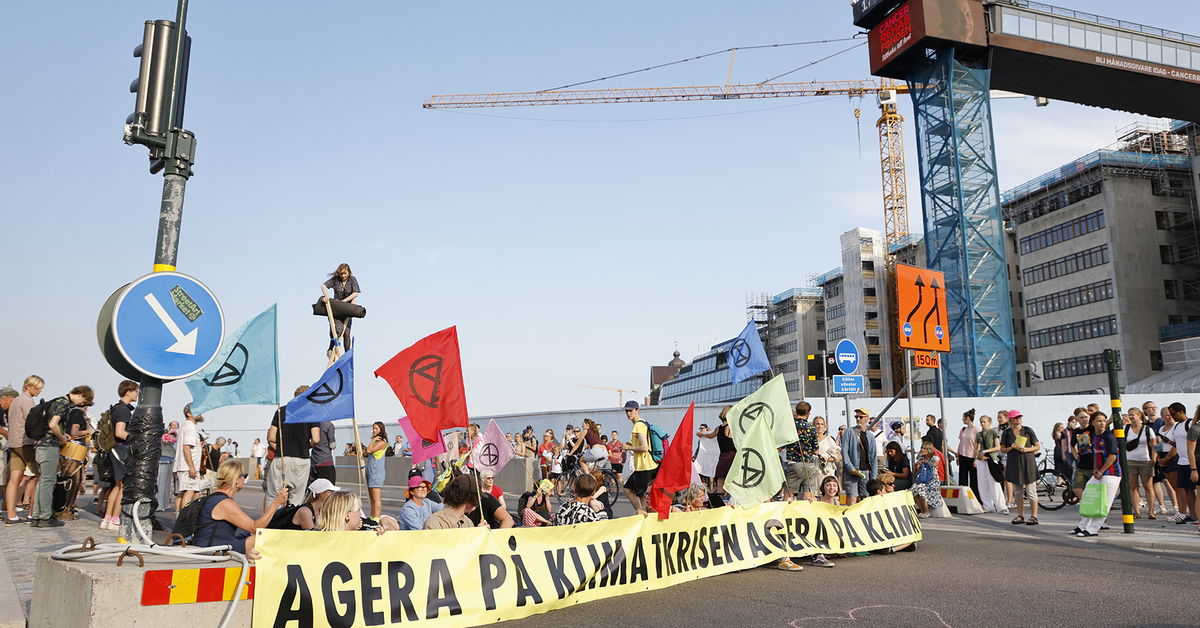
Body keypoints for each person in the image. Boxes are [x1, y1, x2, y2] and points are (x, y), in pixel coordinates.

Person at [31, 386, 93, 528]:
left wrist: (63, 434)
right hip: (49, 446)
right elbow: (53, 425)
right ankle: (45, 517)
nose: (82, 404)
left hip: (41, 444)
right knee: (49, 481)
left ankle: (36, 516)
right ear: (80, 394)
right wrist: (62, 438)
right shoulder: (63, 403)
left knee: (43, 481)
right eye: (84, 400)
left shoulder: (56, 401)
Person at [194, 460, 287, 553]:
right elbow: (255, 528)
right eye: (244, 476)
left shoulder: (214, 497)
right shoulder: (225, 503)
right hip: (215, 549)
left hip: (209, 544)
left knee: (248, 534)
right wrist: (276, 503)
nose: (245, 479)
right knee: (266, 536)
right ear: (237, 479)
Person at [266, 387, 319, 507]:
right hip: (301, 459)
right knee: (296, 499)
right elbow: (316, 439)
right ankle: (292, 518)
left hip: (281, 458)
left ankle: (272, 518)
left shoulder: (281, 411)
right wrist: (306, 446)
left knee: (274, 497)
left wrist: (281, 448)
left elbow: (271, 438)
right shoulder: (312, 413)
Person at [1075, 412, 1123, 537]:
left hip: (1111, 473)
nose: (1102, 423)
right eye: (1099, 421)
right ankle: (1082, 525)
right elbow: (1095, 453)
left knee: (1105, 502)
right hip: (1099, 472)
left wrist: (1101, 471)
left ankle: (1093, 529)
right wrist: (1095, 468)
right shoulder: (1095, 436)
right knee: (1088, 497)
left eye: (1103, 420)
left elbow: (1112, 456)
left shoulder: (1109, 436)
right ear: (1093, 422)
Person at [6, 376, 44, 525]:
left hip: (13, 443)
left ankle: (11, 515)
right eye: (38, 387)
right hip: (26, 443)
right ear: (29, 386)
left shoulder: (16, 400)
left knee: (14, 479)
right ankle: (32, 514)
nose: (39, 390)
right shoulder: (27, 400)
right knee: (38, 476)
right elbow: (32, 422)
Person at [102, 380, 138, 531]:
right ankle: (115, 519)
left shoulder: (116, 408)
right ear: (128, 392)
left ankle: (107, 519)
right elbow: (120, 432)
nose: (137, 394)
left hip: (114, 449)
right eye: (135, 391)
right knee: (124, 485)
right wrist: (136, 439)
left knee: (117, 485)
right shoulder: (124, 410)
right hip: (121, 449)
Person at [1000, 409, 1040, 525]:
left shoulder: (1027, 430)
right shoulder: (1007, 433)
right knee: (1018, 492)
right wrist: (1011, 447)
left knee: (1031, 492)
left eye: (1019, 417)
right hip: (1014, 464)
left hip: (1028, 462)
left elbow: (1037, 446)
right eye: (1016, 417)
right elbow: (1002, 449)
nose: (1018, 419)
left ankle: (1034, 516)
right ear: (1010, 419)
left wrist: (1026, 449)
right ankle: (1020, 515)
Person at [621, 401, 659, 514]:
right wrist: (632, 445)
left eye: (631, 410)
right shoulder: (643, 423)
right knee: (628, 489)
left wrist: (628, 448)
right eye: (626, 411)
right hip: (646, 465)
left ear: (637, 410)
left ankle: (643, 514)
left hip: (644, 466)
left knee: (641, 494)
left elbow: (644, 447)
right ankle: (641, 511)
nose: (628, 413)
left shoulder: (638, 425)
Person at [1163, 402, 1197, 524]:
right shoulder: (1177, 426)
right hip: (1181, 461)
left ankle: (1195, 514)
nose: (1171, 416)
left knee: (1195, 489)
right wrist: (1169, 442)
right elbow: (1179, 444)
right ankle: (1193, 515)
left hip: (1191, 462)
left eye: (1173, 414)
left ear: (1181, 412)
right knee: (1187, 489)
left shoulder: (1190, 424)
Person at [320, 263, 361, 363]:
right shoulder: (336, 279)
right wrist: (326, 296)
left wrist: (344, 301)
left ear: (349, 272)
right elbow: (323, 286)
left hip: (347, 309)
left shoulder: (352, 280)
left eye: (345, 273)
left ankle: (347, 357)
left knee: (346, 333)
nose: (343, 276)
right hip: (336, 309)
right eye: (341, 274)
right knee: (337, 330)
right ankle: (330, 349)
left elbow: (355, 293)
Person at [1123, 408, 1158, 519]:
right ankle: (1136, 511)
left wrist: (1154, 458)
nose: (1131, 417)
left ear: (1139, 415)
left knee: (1148, 486)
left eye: (1133, 414)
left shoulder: (1147, 429)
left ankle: (1151, 511)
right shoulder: (1125, 428)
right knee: (1133, 487)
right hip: (1130, 460)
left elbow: (1154, 445)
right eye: (1129, 415)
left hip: (1145, 460)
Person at [783, 401, 820, 502]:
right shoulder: (811, 428)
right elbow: (816, 450)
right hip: (808, 464)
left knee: (788, 496)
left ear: (796, 411)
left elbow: (782, 444)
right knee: (807, 497)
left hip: (794, 464)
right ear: (808, 414)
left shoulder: (790, 427)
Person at [697, 406, 736, 500]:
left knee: (720, 478)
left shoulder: (718, 428)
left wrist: (701, 434)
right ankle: (732, 499)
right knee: (733, 478)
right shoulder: (730, 428)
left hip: (722, 456)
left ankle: (720, 499)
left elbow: (710, 436)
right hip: (732, 456)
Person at [840, 408, 877, 505]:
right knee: (852, 498)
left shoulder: (870, 436)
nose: (858, 419)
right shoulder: (849, 431)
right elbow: (844, 451)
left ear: (867, 419)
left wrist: (874, 476)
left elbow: (873, 457)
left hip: (865, 471)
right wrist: (850, 468)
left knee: (865, 499)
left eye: (861, 417)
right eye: (856, 416)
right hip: (853, 471)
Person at [174, 406, 204, 511]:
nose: (200, 414)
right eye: (198, 411)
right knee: (189, 491)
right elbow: (186, 447)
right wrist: (192, 467)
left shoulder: (183, 427)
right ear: (189, 414)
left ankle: (179, 518)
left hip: (181, 465)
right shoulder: (190, 428)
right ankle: (184, 518)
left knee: (181, 493)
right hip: (188, 466)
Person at [911, 442, 944, 519]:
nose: (922, 450)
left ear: (929, 450)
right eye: (922, 448)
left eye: (925, 448)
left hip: (932, 481)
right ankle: (922, 511)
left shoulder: (935, 458)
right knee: (914, 488)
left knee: (920, 488)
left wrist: (927, 462)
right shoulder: (920, 459)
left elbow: (935, 464)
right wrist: (916, 465)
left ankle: (926, 511)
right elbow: (914, 473)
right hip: (923, 480)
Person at [363, 421, 388, 521]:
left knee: (376, 498)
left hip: (376, 473)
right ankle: (372, 517)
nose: (374, 430)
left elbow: (369, 450)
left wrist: (373, 440)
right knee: (372, 498)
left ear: (381, 429)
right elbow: (366, 453)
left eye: (376, 428)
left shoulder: (382, 443)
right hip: (371, 472)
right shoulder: (376, 442)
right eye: (373, 428)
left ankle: (376, 519)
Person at [157, 420, 179, 513]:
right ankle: (163, 502)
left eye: (176, 425)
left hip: (175, 460)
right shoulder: (165, 436)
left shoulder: (179, 436)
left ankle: (166, 502)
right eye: (173, 425)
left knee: (171, 483)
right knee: (164, 482)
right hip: (167, 459)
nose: (174, 427)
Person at [956, 409, 979, 495]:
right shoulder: (963, 429)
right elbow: (961, 442)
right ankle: (963, 496)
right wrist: (958, 455)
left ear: (968, 418)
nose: (962, 419)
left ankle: (974, 497)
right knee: (962, 479)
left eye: (963, 418)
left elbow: (978, 445)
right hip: (962, 456)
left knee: (973, 479)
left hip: (972, 457)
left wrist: (976, 459)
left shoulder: (976, 430)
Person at [311, 420, 337, 484]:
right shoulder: (329, 425)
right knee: (329, 486)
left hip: (314, 460)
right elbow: (332, 445)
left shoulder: (312, 423)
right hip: (325, 461)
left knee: (314, 487)